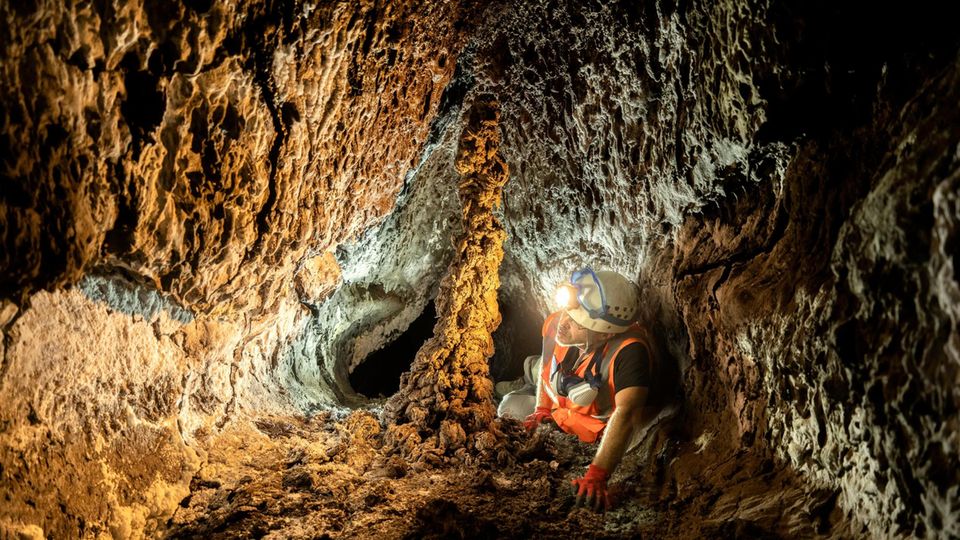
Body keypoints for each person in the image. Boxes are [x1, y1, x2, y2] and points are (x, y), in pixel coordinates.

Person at [498, 267, 664, 512]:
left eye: (577, 323)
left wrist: (598, 474)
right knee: (520, 392)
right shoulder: (558, 324)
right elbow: (547, 364)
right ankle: (525, 375)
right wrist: (541, 409)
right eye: (568, 313)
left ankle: (526, 379)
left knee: (510, 404)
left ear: (602, 335)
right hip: (559, 394)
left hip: (585, 420)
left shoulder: (629, 353)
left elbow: (627, 415)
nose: (564, 323)